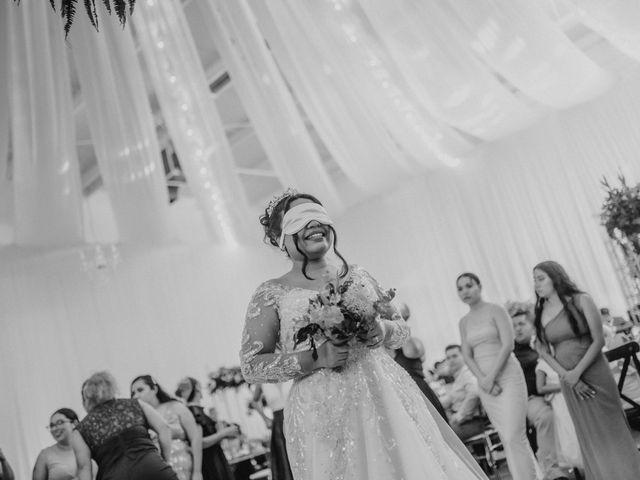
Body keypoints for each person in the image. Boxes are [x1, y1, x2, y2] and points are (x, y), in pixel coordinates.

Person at [240, 190, 487, 480]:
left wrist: (382, 330)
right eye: (300, 219)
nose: (314, 224)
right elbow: (251, 365)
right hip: (321, 410)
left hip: (384, 393)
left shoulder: (358, 275)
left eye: (318, 216)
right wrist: (315, 357)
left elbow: (400, 329)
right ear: (281, 235)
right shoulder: (271, 293)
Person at [532, 260, 640, 479]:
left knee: (611, 429)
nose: (536, 284)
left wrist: (577, 372)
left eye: (540, 278)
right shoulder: (540, 311)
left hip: (594, 372)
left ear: (556, 277)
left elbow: (598, 340)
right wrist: (569, 377)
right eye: (534, 280)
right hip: (568, 380)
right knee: (589, 434)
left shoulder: (582, 300)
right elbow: (543, 352)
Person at [457, 273, 537, 480]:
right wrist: (483, 380)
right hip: (485, 384)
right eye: (460, 288)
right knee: (506, 437)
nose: (465, 291)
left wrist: (490, 377)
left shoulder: (496, 310)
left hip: (508, 376)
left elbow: (508, 345)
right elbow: (466, 354)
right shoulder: (464, 322)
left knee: (513, 435)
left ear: (479, 286)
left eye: (469, 285)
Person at [70, 371, 178, 480]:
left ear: (87, 398)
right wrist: (164, 460)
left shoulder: (80, 430)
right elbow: (164, 428)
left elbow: (84, 468)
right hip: (154, 469)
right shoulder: (136, 404)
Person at [511, 305, 570, 480]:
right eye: (513, 326)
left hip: (556, 392)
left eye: (521, 324)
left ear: (532, 325)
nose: (517, 329)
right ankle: (552, 472)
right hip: (531, 398)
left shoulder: (541, 345)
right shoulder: (513, 353)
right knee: (546, 416)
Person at [130, 375, 202, 480]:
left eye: (140, 390)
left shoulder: (176, 406)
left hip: (183, 467)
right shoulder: (140, 421)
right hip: (159, 472)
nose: (136, 396)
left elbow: (195, 438)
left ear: (154, 389)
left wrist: (197, 472)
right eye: (133, 393)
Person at [390, 303, 448, 420]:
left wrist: (400, 323)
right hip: (402, 394)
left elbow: (412, 352)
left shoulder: (414, 343)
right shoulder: (389, 349)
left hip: (419, 389)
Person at [175, 377, 237, 480]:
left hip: (214, 458)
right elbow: (199, 443)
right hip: (209, 462)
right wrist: (224, 433)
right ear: (197, 388)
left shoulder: (196, 411)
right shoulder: (194, 412)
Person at [535, 360, 582, 469]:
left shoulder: (563, 359)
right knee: (569, 430)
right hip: (560, 401)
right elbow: (540, 388)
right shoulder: (542, 366)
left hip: (574, 397)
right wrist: (563, 386)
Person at [439, 345, 484, 440]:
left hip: (473, 422)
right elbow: (450, 398)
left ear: (463, 355)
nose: (451, 360)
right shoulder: (459, 375)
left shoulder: (468, 372)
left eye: (455, 356)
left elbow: (475, 393)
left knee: (443, 438)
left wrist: (460, 416)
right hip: (462, 421)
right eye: (448, 358)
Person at [250, 383, 294, 480]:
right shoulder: (262, 379)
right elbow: (254, 401)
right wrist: (265, 418)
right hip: (278, 423)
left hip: (296, 417)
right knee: (285, 458)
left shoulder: (290, 370)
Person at [33, 408, 80, 480]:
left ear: (74, 423)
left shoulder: (91, 448)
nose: (55, 428)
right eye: (52, 426)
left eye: (60, 423)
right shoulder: (45, 455)